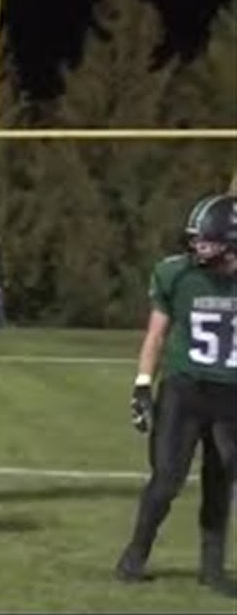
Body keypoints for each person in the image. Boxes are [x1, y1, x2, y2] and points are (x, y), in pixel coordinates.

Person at [115, 194, 237, 598]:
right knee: (166, 480)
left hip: (231, 394)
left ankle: (212, 569)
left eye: (209, 241)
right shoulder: (176, 274)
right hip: (185, 389)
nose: (199, 247)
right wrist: (142, 384)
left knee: (221, 477)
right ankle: (134, 557)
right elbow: (157, 332)